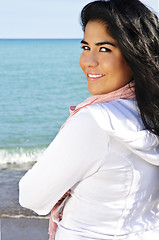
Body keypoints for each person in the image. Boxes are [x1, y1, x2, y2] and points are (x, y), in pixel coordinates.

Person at [19, 0, 159, 239]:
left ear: (135, 54)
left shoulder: (95, 121)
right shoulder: (150, 112)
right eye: (86, 47)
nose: (88, 61)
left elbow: (31, 196)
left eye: (105, 49)